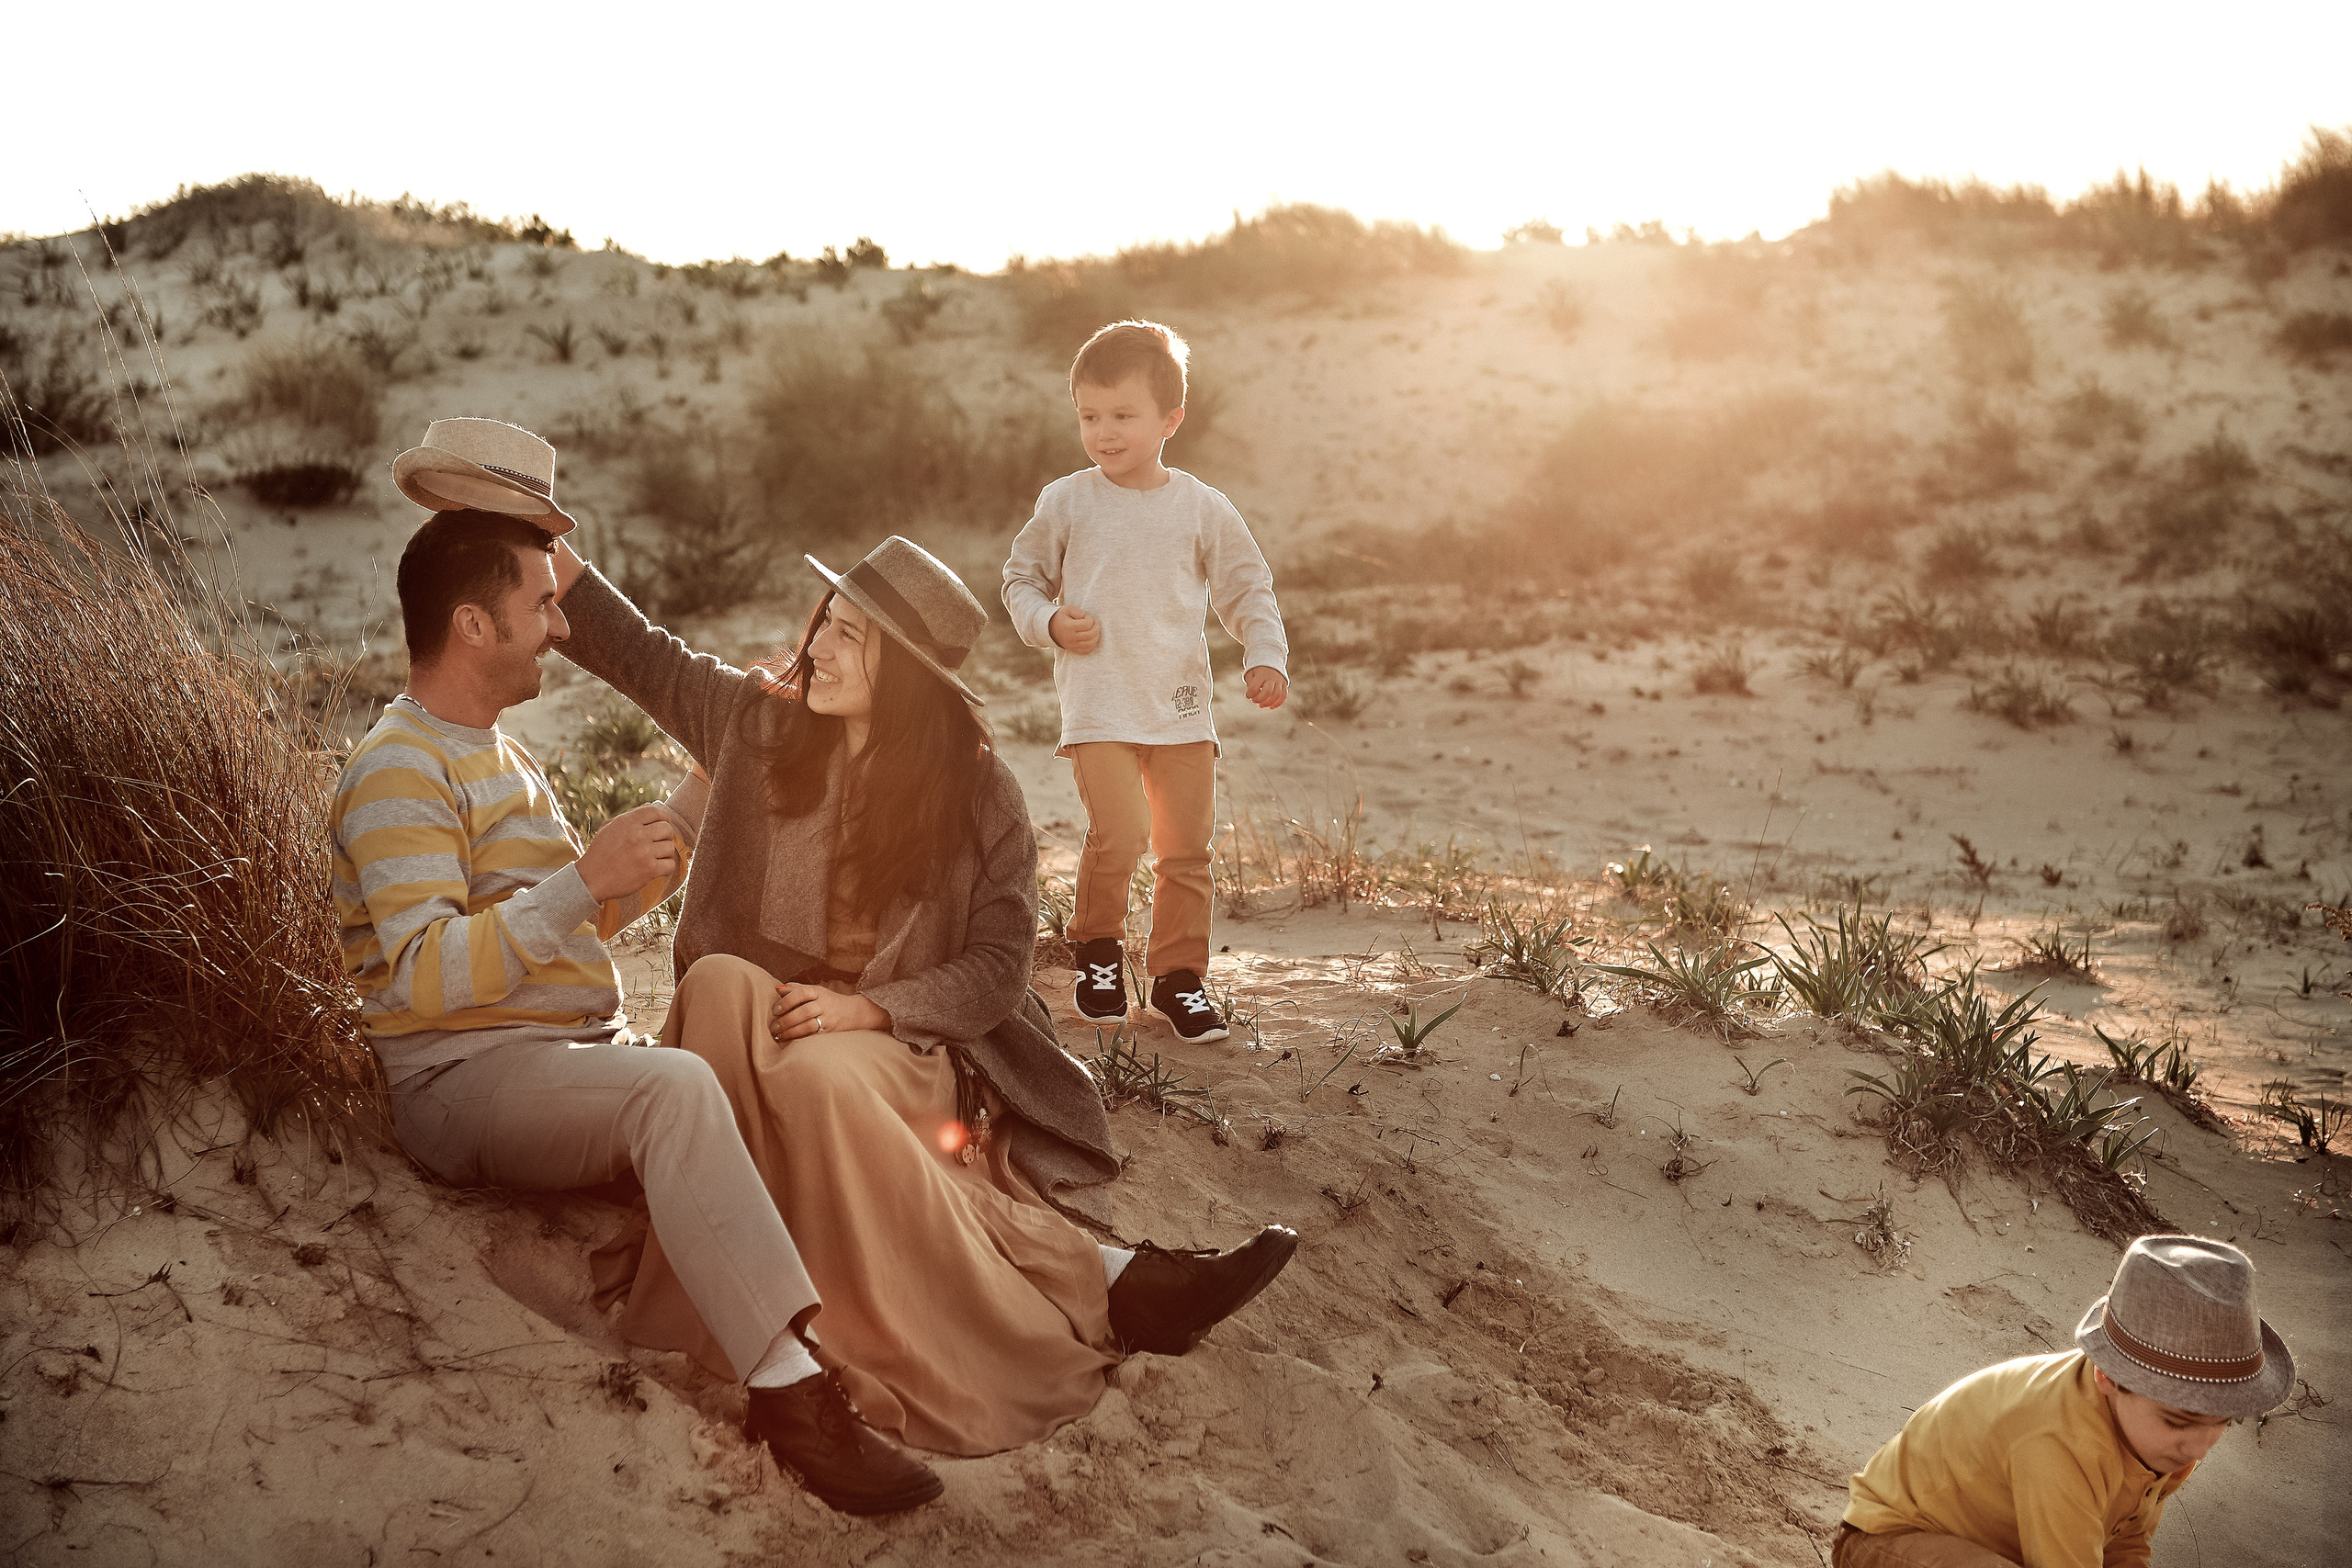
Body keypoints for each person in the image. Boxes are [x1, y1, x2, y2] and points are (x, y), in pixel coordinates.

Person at [548, 525, 1300, 1458]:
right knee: (720, 988)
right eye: (827, 620)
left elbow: (994, 969)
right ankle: (1117, 1281)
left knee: (820, 1078)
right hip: (762, 1038)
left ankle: (1100, 1285)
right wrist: (529, 526)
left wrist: (870, 1010)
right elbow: (636, 652)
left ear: (906, 677)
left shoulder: (980, 796)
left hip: (904, 1052)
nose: (818, 646)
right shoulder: (760, 725)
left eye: (851, 638)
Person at [334, 419, 943, 1516]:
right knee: (676, 1090)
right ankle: (791, 1396)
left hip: (553, 1057)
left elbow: (582, 913)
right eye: (541, 607)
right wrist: (579, 883)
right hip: (458, 1078)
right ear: (473, 625)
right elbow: (422, 975)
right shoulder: (396, 768)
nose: (559, 627)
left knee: (753, 1072)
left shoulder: (497, 750)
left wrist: (711, 778)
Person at [1001, 319, 1290, 1043]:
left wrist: (1265, 654)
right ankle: (1098, 950)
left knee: (1186, 848)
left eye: (1122, 416)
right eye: (1089, 416)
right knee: (1121, 832)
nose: (1103, 432)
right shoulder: (1067, 500)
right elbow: (1020, 580)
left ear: (1171, 419)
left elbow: (1248, 587)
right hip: (1098, 705)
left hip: (1182, 710)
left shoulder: (1201, 507)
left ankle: (1178, 978)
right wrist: (1048, 623)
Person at [1835, 1234, 2297, 1568]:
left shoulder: (2157, 1439)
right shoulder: (2057, 1442)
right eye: (2180, 1421)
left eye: (2224, 1423)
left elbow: (2125, 1540)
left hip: (2006, 1543)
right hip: (1888, 1542)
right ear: (2108, 1377)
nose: (2199, 1448)